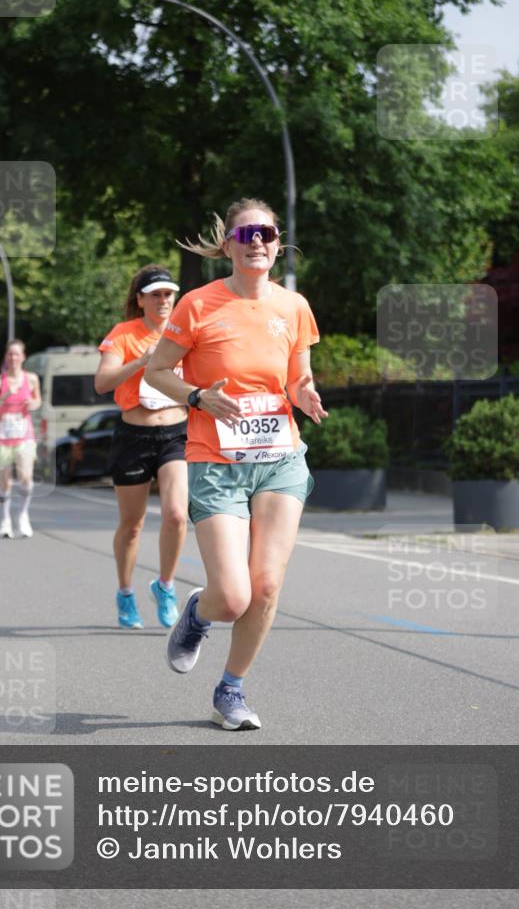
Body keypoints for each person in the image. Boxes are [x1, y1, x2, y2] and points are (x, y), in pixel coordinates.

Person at [145, 198, 327, 730]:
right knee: (233, 595)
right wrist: (197, 396)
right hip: (215, 460)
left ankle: (231, 689)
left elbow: (297, 377)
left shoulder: (294, 307)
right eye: (245, 234)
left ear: (277, 240)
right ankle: (199, 614)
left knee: (267, 586)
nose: (256, 243)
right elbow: (157, 372)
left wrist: (306, 393)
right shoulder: (197, 305)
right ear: (227, 245)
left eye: (265, 233)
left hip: (279, 458)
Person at [95, 265, 188, 631]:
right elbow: (102, 383)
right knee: (132, 526)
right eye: (156, 295)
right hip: (134, 436)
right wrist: (140, 361)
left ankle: (165, 585)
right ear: (141, 300)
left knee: (177, 514)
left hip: (177, 434)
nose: (163, 301)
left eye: (168, 294)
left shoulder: (184, 333)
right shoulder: (123, 335)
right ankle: (125, 592)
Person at [0, 339, 41, 538]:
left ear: (23, 357)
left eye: (17, 354)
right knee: (5, 482)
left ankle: (23, 515)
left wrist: (32, 403)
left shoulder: (31, 379)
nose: (13, 358)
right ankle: (5, 519)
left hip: (25, 436)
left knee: (26, 476)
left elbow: (37, 401)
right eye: (10, 354)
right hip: (1, 437)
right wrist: (5, 395)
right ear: (5, 357)